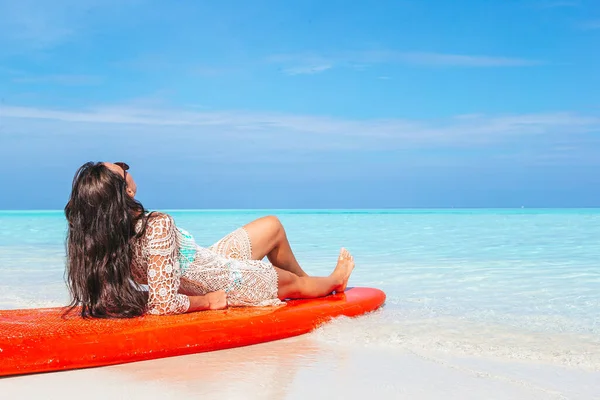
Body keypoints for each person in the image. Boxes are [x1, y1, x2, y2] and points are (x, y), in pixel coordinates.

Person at [64, 161, 355, 318]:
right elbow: (162, 305)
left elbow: (126, 293)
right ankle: (331, 283)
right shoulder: (156, 224)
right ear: (124, 193)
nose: (127, 168)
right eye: (122, 169)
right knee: (301, 285)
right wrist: (207, 301)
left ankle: (304, 283)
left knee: (272, 226)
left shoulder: (103, 237)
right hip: (229, 281)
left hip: (208, 262)